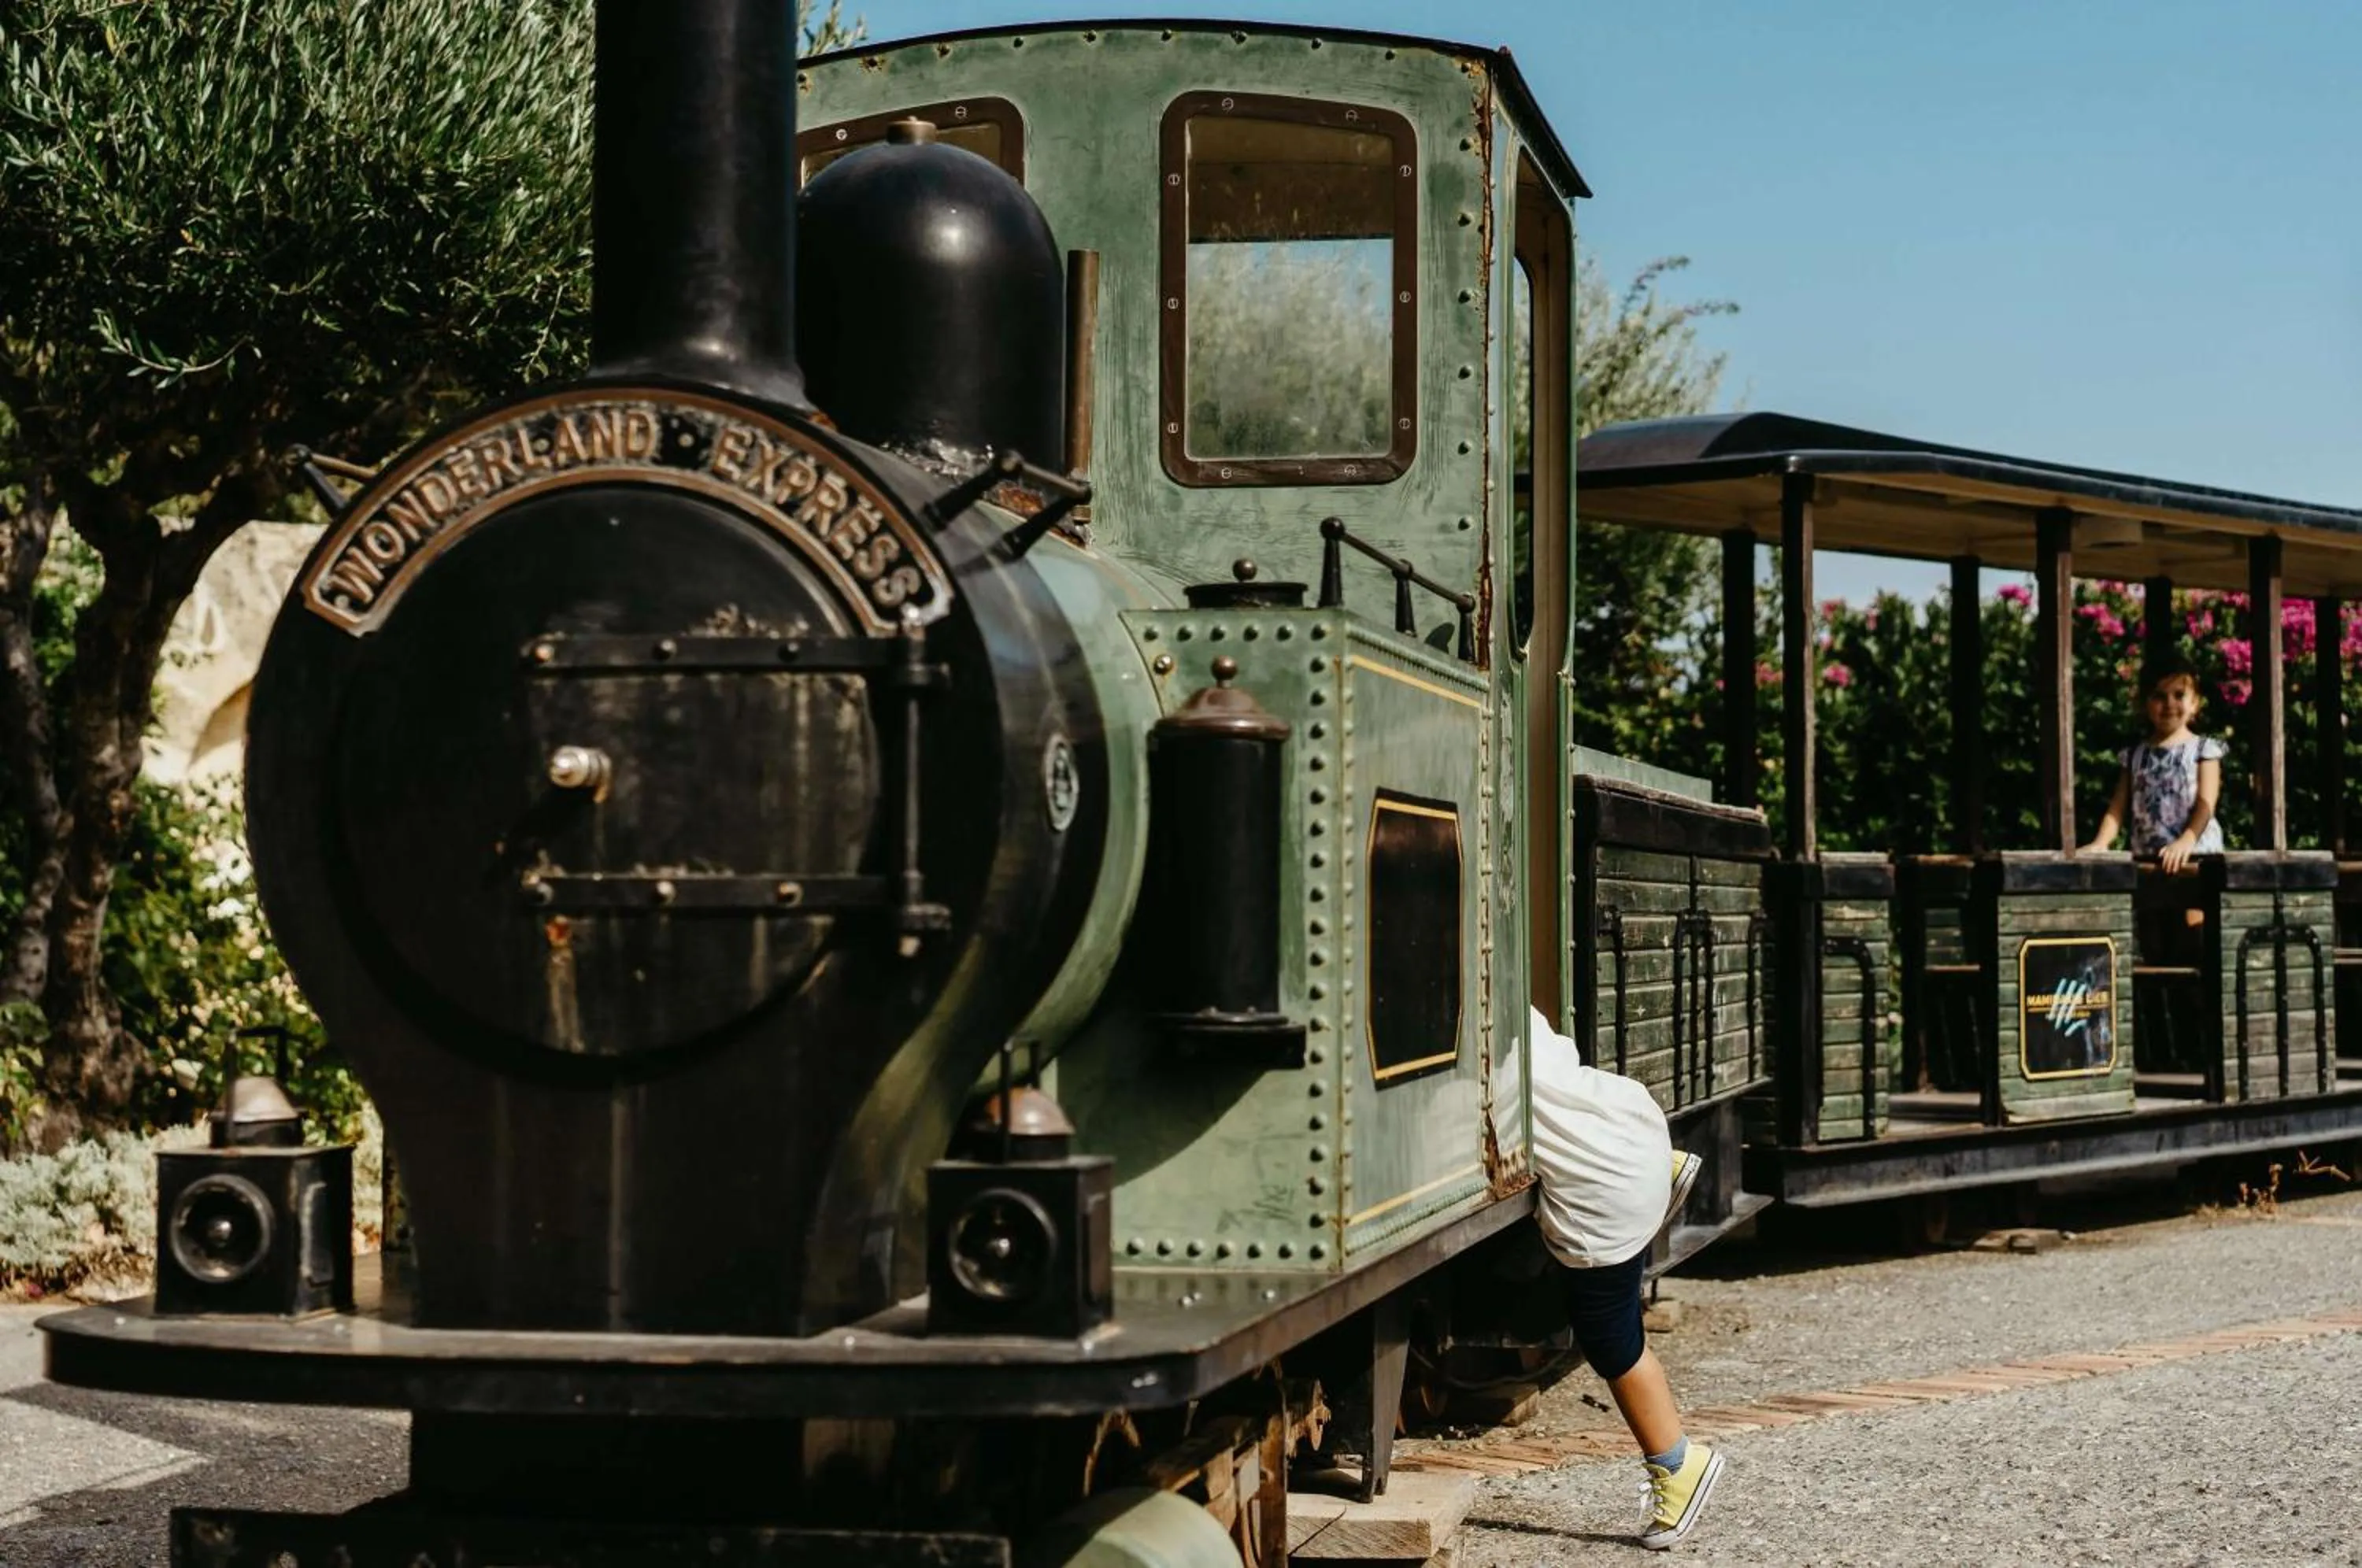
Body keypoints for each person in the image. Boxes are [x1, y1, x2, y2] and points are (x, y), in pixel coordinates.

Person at [1528, 1006, 1723, 1549]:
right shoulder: (1503, 993)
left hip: (1603, 1190)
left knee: (1610, 1338)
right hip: (1631, 1119)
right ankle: (1657, 1180)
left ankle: (1680, 1461)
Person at [2080, 656, 2226, 875]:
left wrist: (2187, 841)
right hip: (2149, 857)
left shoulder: (2204, 750)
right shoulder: (2134, 755)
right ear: (2144, 704)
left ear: (2195, 703)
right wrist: (2101, 842)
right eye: (2159, 696)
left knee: (2192, 906)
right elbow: (2117, 808)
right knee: (2151, 907)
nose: (2169, 704)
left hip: (2195, 855)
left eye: (2179, 695)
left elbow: (2206, 805)